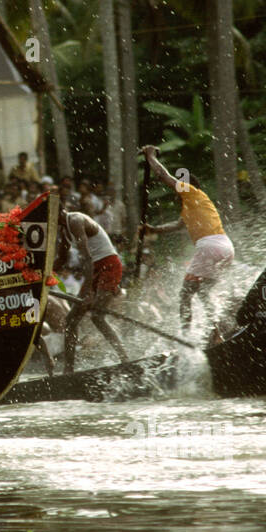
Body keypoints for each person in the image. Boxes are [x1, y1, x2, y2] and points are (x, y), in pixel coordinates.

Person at [140, 146, 235, 330]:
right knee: (203, 292)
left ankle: (186, 337)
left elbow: (163, 175)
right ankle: (216, 331)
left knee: (185, 295)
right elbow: (176, 226)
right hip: (226, 248)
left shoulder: (191, 192)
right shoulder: (192, 206)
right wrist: (153, 229)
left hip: (209, 247)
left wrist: (150, 155)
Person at [59, 209, 129, 371]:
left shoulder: (75, 221)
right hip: (94, 268)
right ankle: (68, 369)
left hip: (109, 265)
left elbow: (87, 258)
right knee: (70, 321)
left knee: (97, 316)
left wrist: (88, 293)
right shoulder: (63, 229)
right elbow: (61, 259)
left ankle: (124, 358)